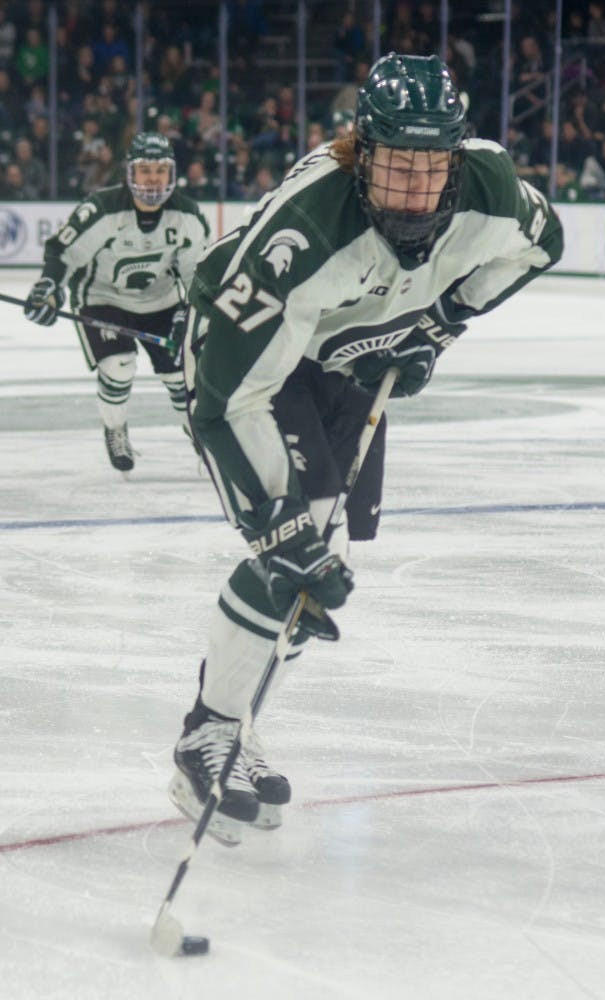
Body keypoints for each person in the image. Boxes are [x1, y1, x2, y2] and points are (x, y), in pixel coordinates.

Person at [169, 53, 563, 844]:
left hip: (352, 351)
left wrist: (441, 319)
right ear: (362, 154)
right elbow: (221, 401)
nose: (414, 190)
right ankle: (203, 738)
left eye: (431, 168)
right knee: (298, 539)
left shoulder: (487, 190)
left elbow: (540, 240)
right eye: (395, 167)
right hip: (248, 359)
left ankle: (236, 722)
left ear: (455, 158)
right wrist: (274, 530)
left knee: (324, 569)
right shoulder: (304, 234)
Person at [24, 132, 210, 474]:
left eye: (159, 170)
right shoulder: (102, 208)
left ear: (171, 174)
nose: (152, 179)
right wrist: (48, 287)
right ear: (130, 173)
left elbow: (198, 276)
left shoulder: (188, 216)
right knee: (119, 365)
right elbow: (62, 253)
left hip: (162, 301)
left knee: (183, 375)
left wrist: (191, 314)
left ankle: (198, 430)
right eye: (145, 171)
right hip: (103, 298)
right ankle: (115, 428)